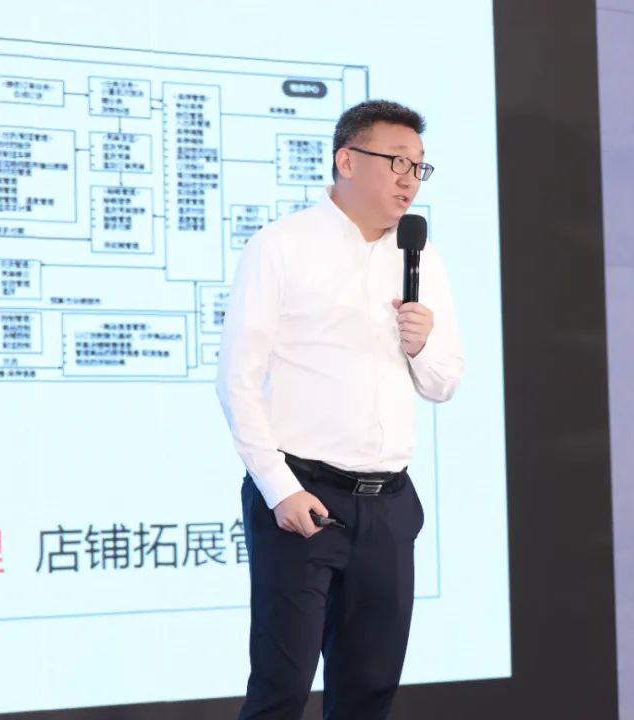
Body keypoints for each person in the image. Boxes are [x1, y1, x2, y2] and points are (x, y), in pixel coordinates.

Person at [215, 99, 465, 720]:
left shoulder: (421, 258)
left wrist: (422, 344)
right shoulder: (282, 246)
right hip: (304, 499)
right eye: (397, 162)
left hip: (389, 506)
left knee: (369, 692)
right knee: (281, 690)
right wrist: (279, 488)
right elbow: (237, 379)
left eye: (419, 166)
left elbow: (443, 384)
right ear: (347, 160)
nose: (410, 179)